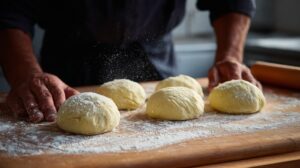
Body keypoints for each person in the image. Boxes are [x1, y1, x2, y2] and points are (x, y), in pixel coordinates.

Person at [0, 0, 261, 123]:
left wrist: (230, 55)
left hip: (156, 61)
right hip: (66, 73)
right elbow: (9, 11)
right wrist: (27, 74)